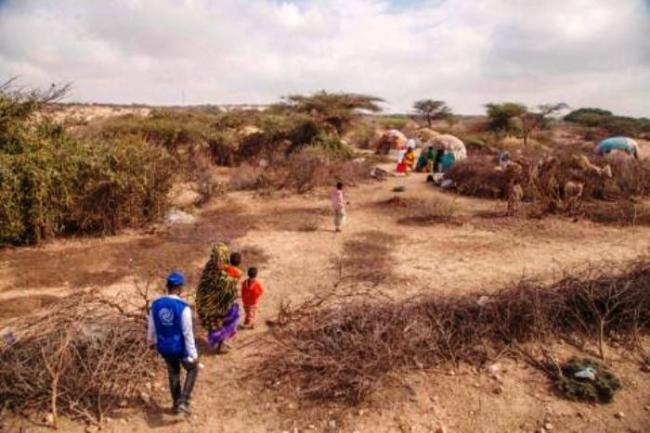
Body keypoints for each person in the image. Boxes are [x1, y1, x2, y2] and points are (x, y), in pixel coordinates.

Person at [147, 272, 198, 415]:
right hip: (179, 348)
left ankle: (176, 404)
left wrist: (150, 341)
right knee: (193, 369)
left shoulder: (156, 304)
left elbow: (151, 326)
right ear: (180, 288)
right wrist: (193, 354)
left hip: (163, 347)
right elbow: (188, 333)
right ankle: (183, 401)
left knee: (173, 373)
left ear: (167, 287)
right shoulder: (183, 307)